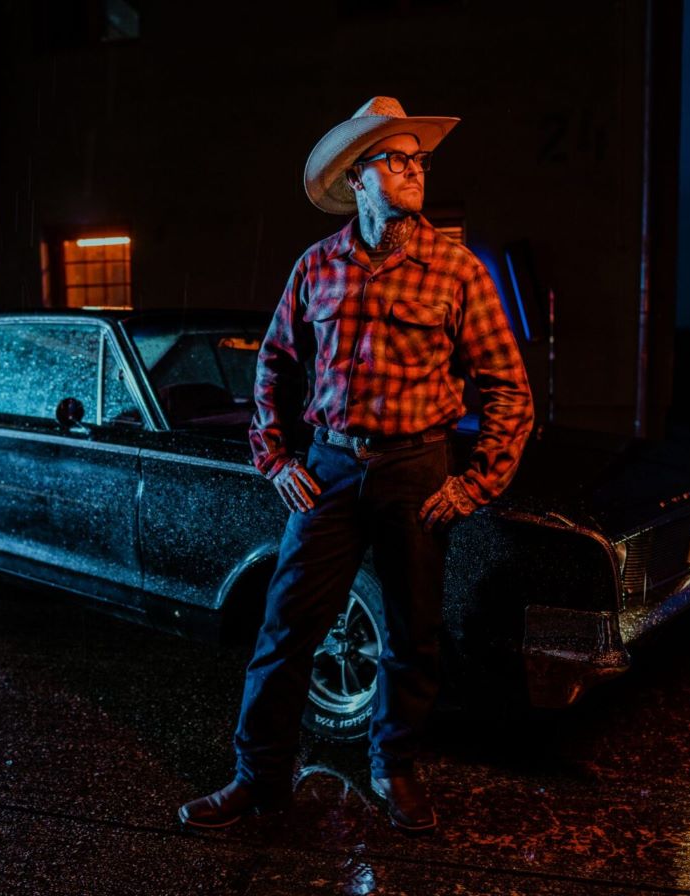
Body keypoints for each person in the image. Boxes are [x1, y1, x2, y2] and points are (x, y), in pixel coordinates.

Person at [178, 97, 533, 832]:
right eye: (396, 159)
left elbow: (508, 387)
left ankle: (393, 769)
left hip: (416, 470)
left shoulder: (456, 270)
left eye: (418, 160)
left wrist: (474, 485)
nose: (414, 170)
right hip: (331, 468)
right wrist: (276, 458)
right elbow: (274, 365)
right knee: (285, 630)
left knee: (412, 634)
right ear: (357, 177)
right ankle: (257, 778)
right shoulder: (316, 266)